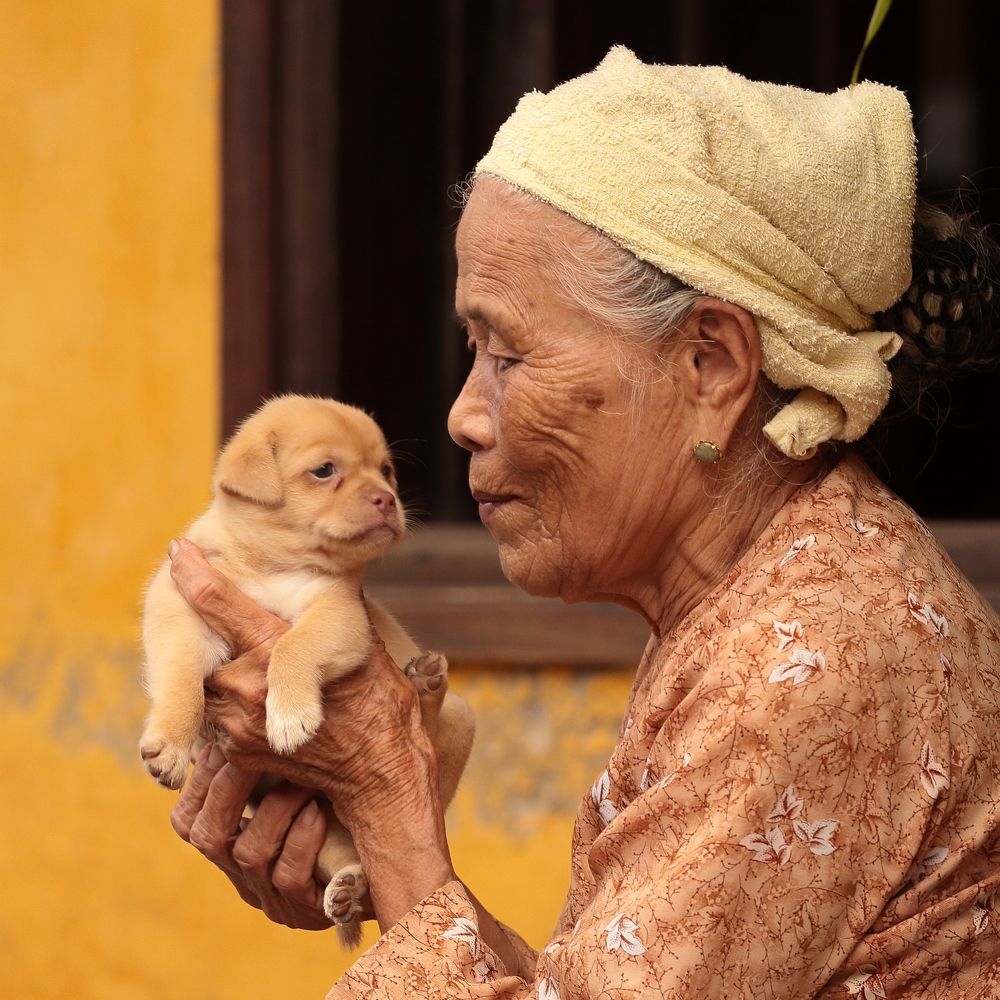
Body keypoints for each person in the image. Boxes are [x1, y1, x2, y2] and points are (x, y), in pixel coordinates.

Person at [166, 49, 1000, 998]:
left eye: (508, 353)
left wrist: (387, 800)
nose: (463, 415)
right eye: (471, 350)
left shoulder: (813, 651)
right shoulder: (770, 593)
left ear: (713, 368)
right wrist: (386, 843)